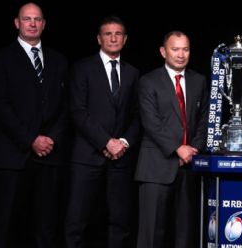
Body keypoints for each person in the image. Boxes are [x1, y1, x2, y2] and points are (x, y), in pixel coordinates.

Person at [0, 2, 69, 248]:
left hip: (50, 155)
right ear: (17, 23)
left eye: (37, 19)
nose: (32, 23)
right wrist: (31, 139)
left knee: (47, 225)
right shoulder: (1, 59)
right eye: (27, 19)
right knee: (5, 223)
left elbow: (66, 106)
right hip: (13, 154)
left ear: (43, 24)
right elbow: (0, 106)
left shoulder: (59, 60)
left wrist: (50, 138)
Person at [64, 16, 140, 248]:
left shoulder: (133, 73)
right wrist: (106, 142)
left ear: (125, 39)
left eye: (118, 34)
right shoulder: (82, 68)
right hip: (87, 156)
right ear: (99, 39)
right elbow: (78, 112)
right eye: (108, 34)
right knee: (77, 219)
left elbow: (138, 115)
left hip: (120, 158)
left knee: (120, 220)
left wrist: (123, 143)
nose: (113, 38)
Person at [135, 31, 208, 248]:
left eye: (185, 49)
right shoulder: (148, 81)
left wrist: (193, 148)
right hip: (156, 167)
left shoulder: (199, 80)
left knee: (185, 235)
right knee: (151, 236)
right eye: (175, 49)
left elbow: (205, 118)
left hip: (188, 167)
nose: (180, 54)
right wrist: (178, 148)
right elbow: (151, 122)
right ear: (163, 51)